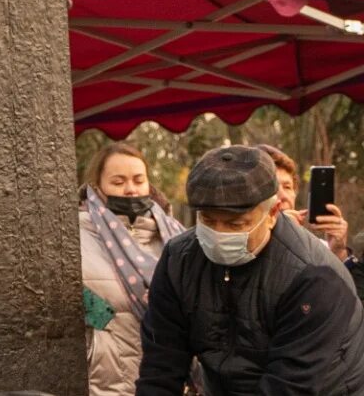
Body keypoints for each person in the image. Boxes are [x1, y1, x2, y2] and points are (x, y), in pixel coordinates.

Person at [136, 145, 364, 395]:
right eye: (208, 221)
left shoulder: (315, 277)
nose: (219, 234)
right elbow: (160, 367)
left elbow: (290, 386)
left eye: (235, 224)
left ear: (273, 213)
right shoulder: (178, 261)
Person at [79, 143, 185, 396]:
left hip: (168, 377)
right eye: (118, 182)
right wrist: (102, 324)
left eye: (139, 180)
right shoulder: (75, 236)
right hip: (107, 378)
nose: (130, 189)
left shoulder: (175, 235)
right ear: (97, 187)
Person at [260, 143, 364, 299]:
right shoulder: (237, 246)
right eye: (272, 187)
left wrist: (338, 254)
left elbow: (349, 307)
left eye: (287, 187)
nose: (283, 196)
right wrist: (281, 238)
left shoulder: (320, 249)